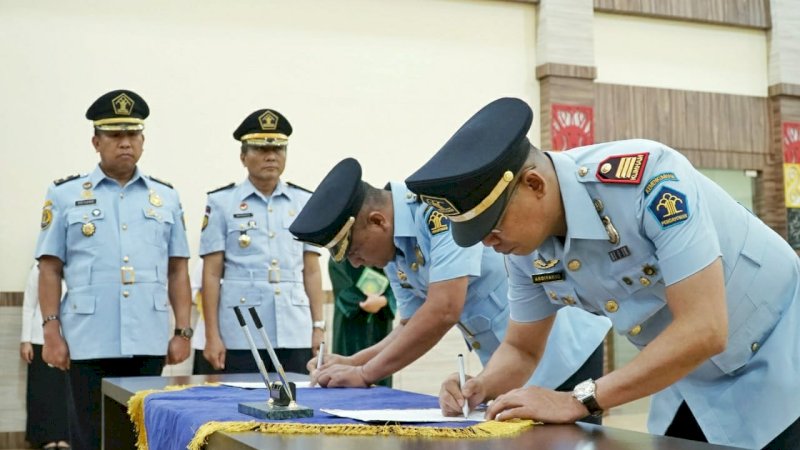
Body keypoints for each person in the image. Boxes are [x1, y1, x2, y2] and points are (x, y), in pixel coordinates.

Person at [405, 97, 800, 449]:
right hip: (691, 377)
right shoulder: (525, 249)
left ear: (534, 183)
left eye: (493, 225)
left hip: (780, 349)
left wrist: (578, 400)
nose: (488, 242)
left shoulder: (648, 180)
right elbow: (522, 348)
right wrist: (480, 386)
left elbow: (705, 328)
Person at [288, 158, 611, 419]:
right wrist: (352, 362)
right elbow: (409, 324)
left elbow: (444, 309)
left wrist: (365, 373)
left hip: (565, 350)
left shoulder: (438, 212)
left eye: (355, 251)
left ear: (378, 221)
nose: (357, 264)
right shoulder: (393, 249)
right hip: (509, 364)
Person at [35, 89, 193, 450]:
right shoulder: (64, 194)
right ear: (96, 141)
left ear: (143, 140)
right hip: (88, 338)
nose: (125, 144)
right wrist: (51, 332)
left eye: (132, 135)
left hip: (147, 337)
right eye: (114, 135)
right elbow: (49, 268)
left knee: (142, 434)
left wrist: (183, 331)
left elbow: (177, 270)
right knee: (90, 435)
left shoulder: (165, 197)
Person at [199, 109, 325, 375]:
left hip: (294, 328)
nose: (271, 156)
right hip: (241, 329)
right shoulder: (222, 203)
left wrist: (319, 326)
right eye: (260, 149)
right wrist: (212, 334)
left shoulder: (303, 202)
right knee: (241, 406)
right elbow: (211, 274)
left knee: (296, 406)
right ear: (243, 156)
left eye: (279, 149)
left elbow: (311, 270)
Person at [19, 263, 69, 450]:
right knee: (42, 391)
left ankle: (65, 436)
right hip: (41, 340)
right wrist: (26, 340)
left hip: (69, 341)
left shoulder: (72, 268)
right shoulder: (37, 269)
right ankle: (45, 437)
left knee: (65, 391)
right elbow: (29, 307)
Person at [329, 257, 396, 387]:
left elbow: (397, 283)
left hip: (380, 321)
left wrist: (385, 301)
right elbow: (342, 289)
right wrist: (365, 302)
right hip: (350, 325)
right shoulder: (338, 256)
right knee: (347, 375)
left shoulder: (385, 254)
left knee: (382, 369)